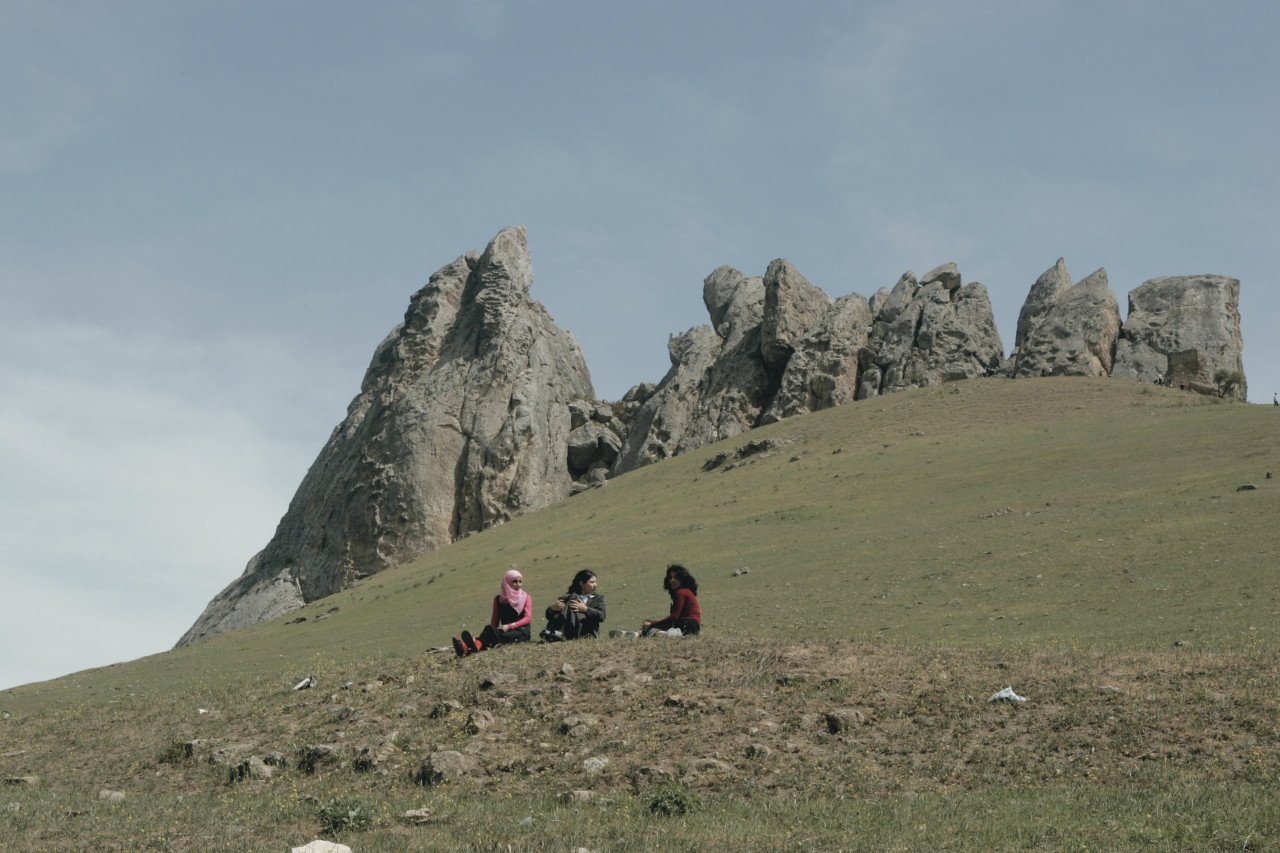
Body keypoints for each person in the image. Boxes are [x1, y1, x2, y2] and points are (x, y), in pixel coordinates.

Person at [453, 569, 533, 656]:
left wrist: (509, 626)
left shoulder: (526, 597)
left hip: (521, 633)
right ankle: (471, 647)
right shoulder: (498, 600)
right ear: (507, 583)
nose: (518, 584)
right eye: (515, 581)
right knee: (489, 628)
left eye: (520, 581)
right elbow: (494, 621)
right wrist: (493, 630)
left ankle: (468, 646)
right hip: (504, 632)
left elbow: (527, 619)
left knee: (492, 635)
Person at [541, 569, 607, 641]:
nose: (595, 585)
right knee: (572, 597)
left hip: (586, 632)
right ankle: (558, 633)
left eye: (595, 582)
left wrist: (585, 609)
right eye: (592, 582)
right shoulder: (568, 597)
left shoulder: (598, 598)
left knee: (573, 598)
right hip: (570, 630)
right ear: (582, 584)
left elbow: (601, 616)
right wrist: (552, 608)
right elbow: (548, 616)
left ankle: (552, 631)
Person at [641, 564, 701, 636]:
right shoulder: (685, 591)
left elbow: (674, 617)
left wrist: (652, 623)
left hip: (687, 625)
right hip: (692, 627)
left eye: (676, 577)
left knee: (650, 629)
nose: (672, 580)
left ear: (682, 579)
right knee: (651, 627)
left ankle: (642, 633)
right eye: (670, 577)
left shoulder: (681, 592)